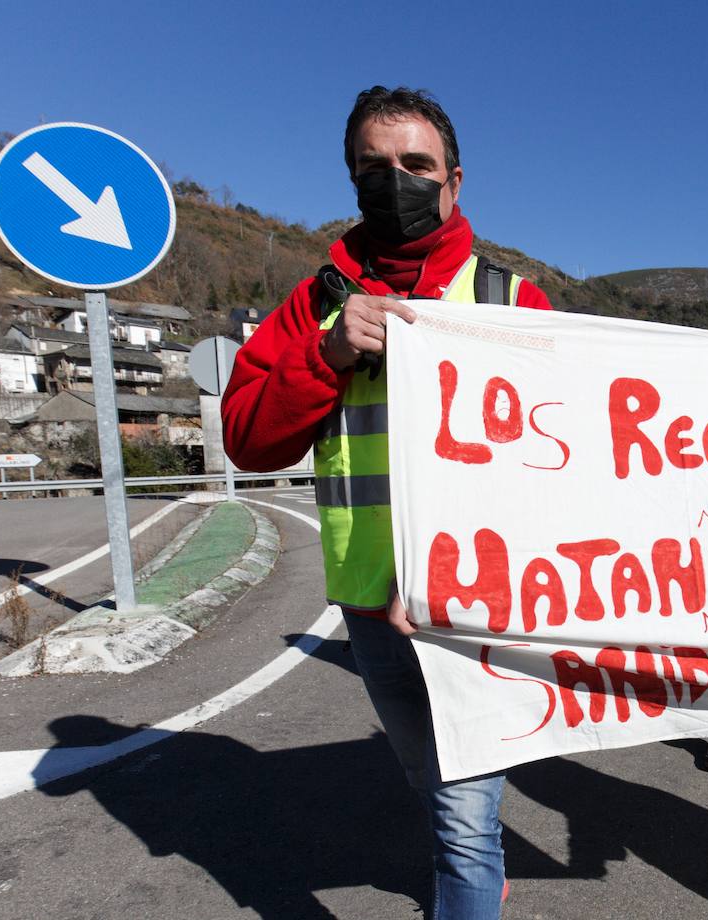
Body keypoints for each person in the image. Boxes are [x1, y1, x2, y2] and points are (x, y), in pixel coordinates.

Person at [222, 85, 551, 919]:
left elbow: (583, 461)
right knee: (437, 789)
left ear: (455, 181)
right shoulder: (312, 303)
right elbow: (250, 443)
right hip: (372, 608)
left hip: (484, 609)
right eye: (375, 166)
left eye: (416, 164)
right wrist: (322, 357)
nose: (395, 180)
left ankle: (474, 879)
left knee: (463, 821)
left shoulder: (517, 303)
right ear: (351, 177)